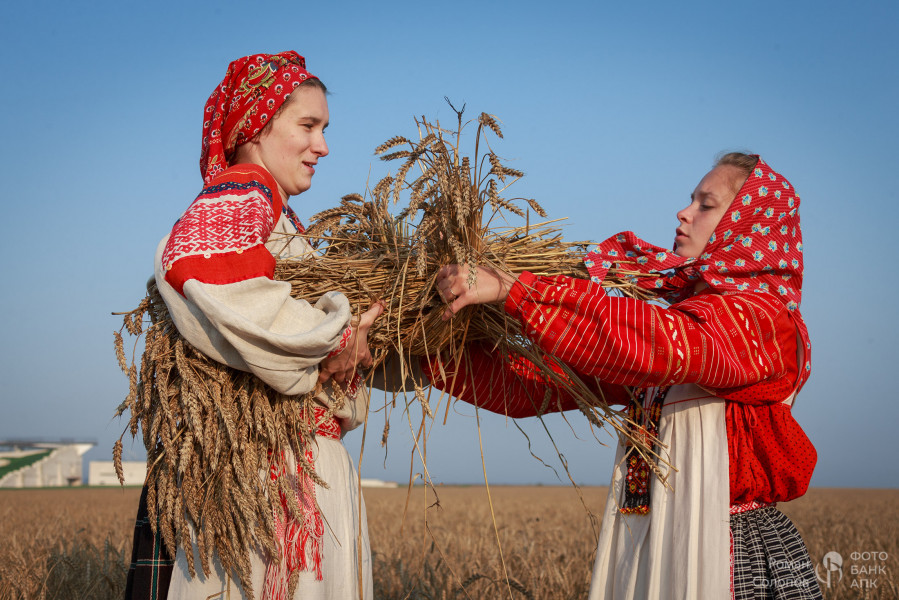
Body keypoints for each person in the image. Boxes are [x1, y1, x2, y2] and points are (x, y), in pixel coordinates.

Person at [426, 153, 822, 599]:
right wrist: (428, 348)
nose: (684, 212)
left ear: (747, 226)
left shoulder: (765, 323)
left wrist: (517, 290)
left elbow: (662, 343)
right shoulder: (673, 332)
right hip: (649, 545)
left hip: (729, 550)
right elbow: (534, 386)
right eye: (690, 200)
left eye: (705, 205)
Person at [124, 51, 381, 600]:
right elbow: (206, 269)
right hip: (268, 477)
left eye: (325, 128)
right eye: (307, 126)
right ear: (255, 126)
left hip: (294, 471)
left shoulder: (282, 217)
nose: (324, 146)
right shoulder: (244, 189)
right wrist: (332, 341)